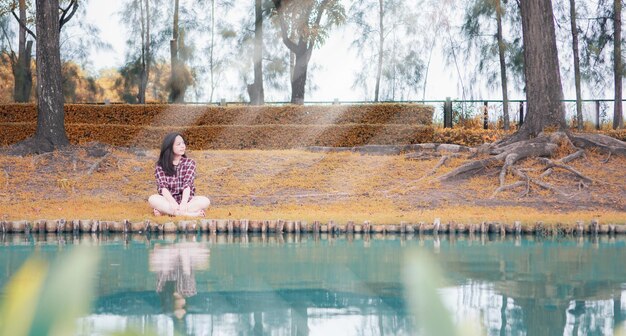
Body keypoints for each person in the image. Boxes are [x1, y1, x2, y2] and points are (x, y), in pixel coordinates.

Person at [148, 132, 210, 217]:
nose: (183, 146)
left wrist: (183, 204)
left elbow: (187, 185)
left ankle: (168, 212)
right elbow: (163, 187)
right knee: (152, 199)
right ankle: (189, 215)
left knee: (205, 201)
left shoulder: (190, 163)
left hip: (187, 201)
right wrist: (173, 202)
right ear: (169, 147)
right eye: (178, 144)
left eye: (183, 143)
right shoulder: (160, 165)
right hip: (168, 201)